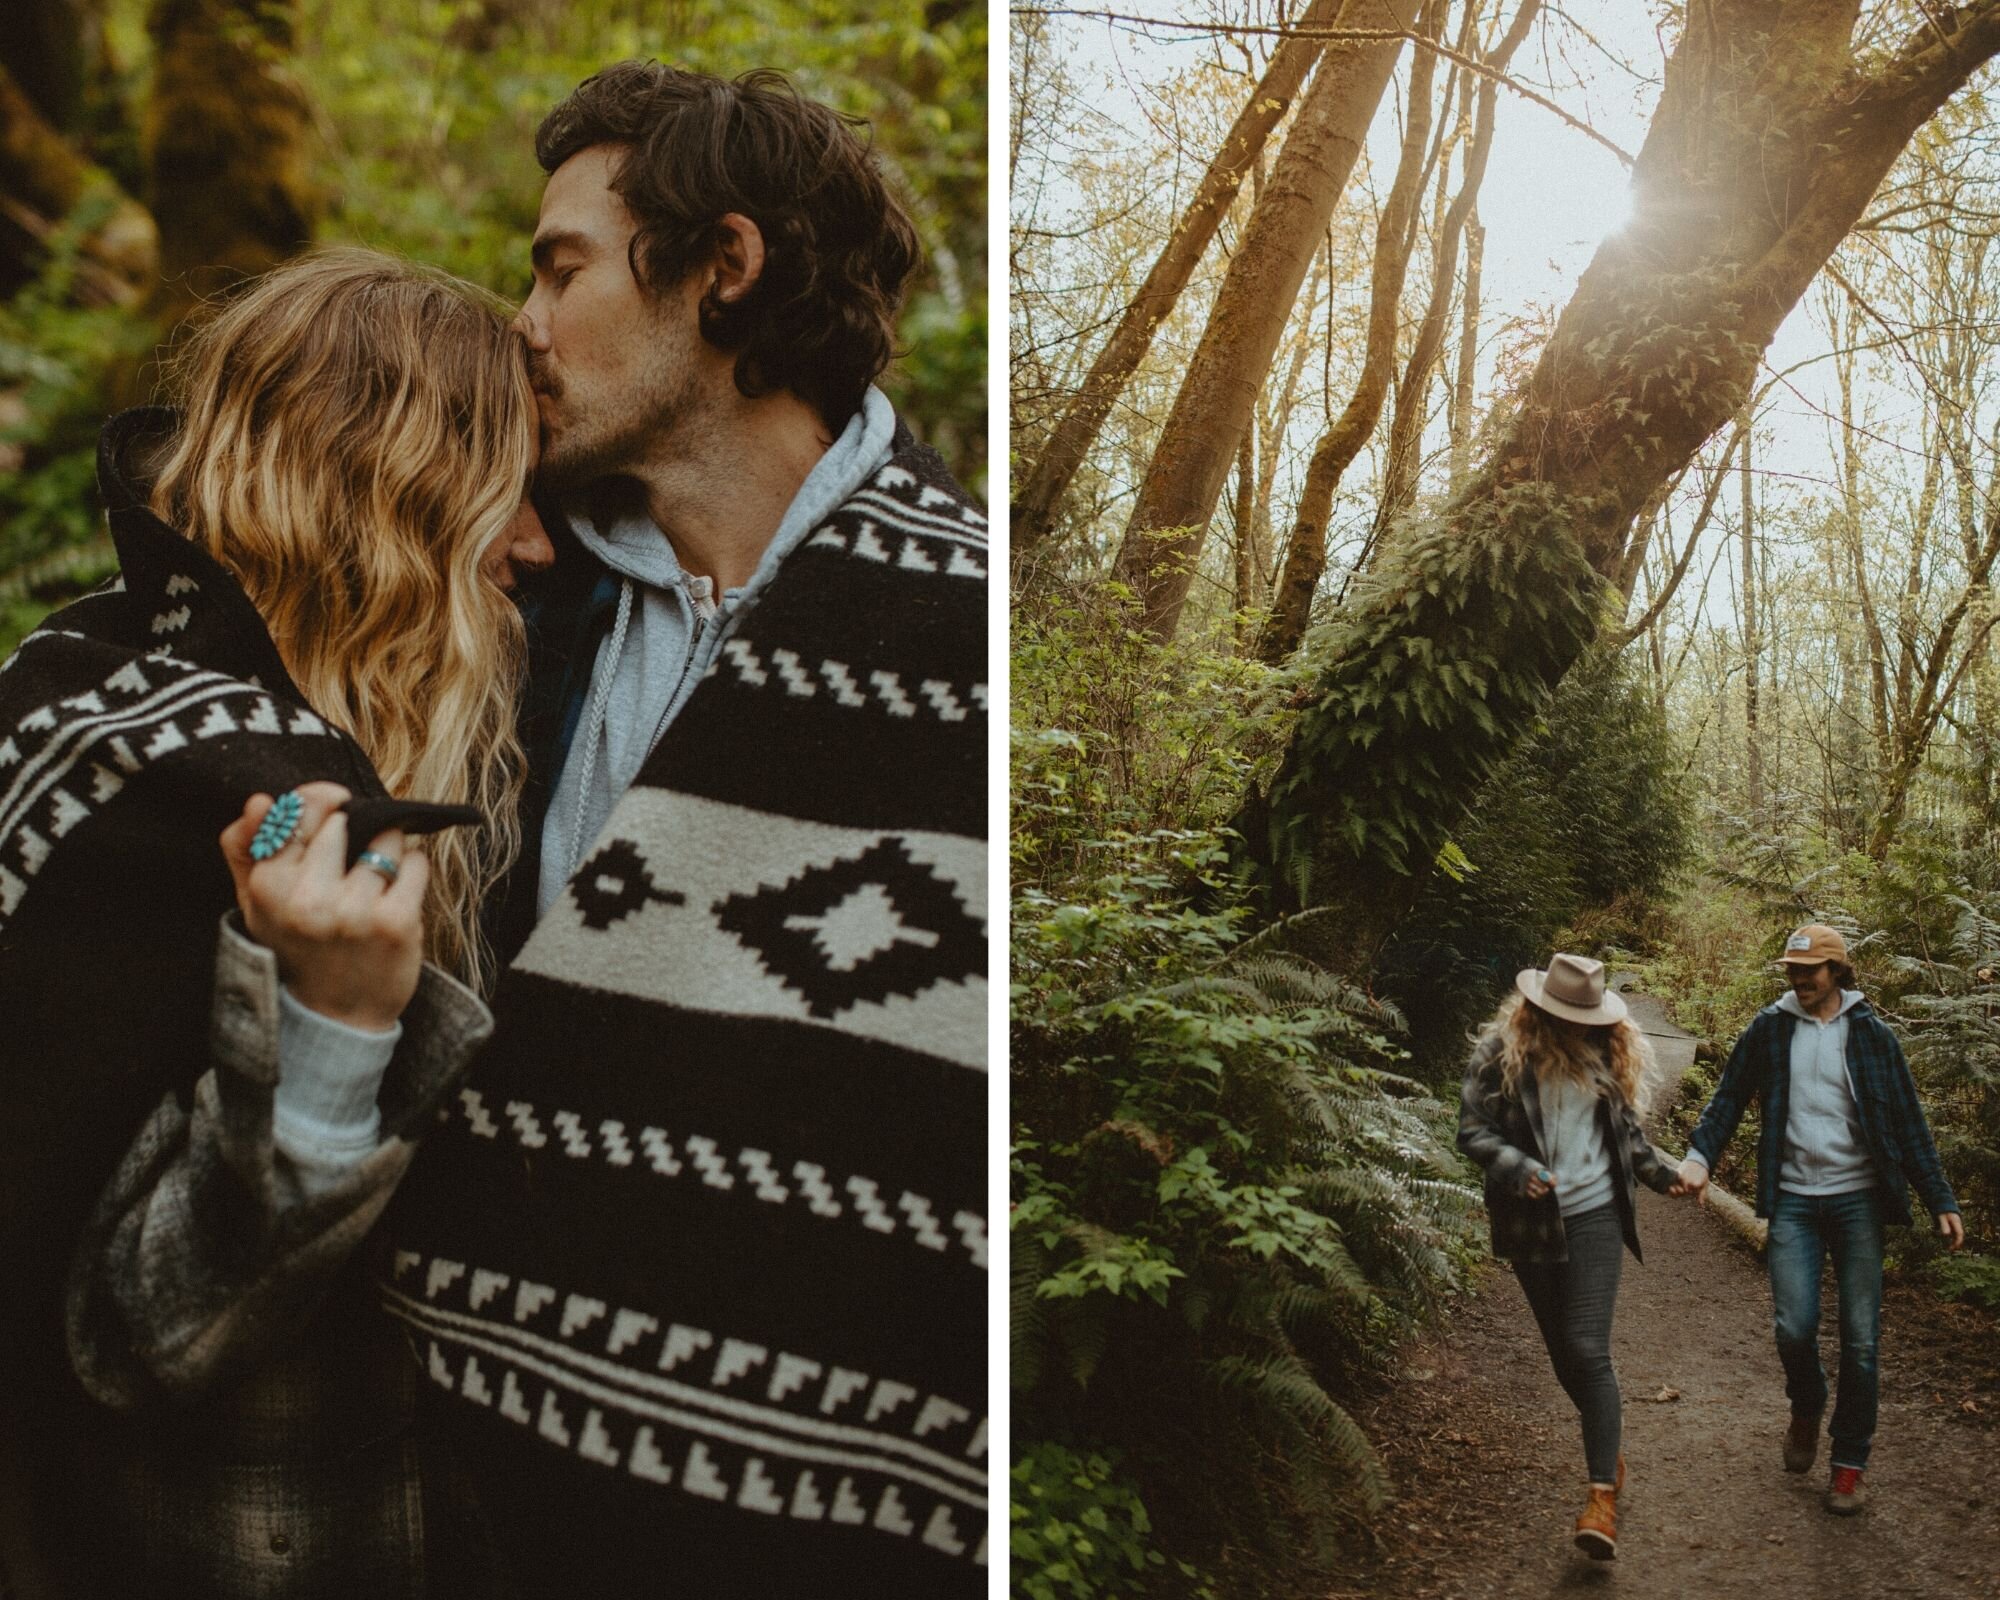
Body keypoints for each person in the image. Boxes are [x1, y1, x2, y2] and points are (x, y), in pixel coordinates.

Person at [381, 62, 989, 1595]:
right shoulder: (510, 607)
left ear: (726, 267)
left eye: (561, 265)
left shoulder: (972, 637)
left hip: (822, 1506)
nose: (521, 319)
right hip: (476, 1494)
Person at [0, 247, 552, 1597]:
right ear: (391, 503)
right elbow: (138, 1330)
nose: (540, 545)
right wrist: (337, 1033)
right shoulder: (225, 802)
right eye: (514, 494)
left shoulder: (75, 672)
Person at [1677, 923, 1963, 1516]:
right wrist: (1699, 1156)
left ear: (1838, 972)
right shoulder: (1770, 1028)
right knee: (1794, 1328)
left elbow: (1909, 1124)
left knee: (1861, 1341)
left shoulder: (1872, 1037)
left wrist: (1940, 1198)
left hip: (1857, 1199)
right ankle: (1807, 1404)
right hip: (1793, 1201)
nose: (1799, 979)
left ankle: (1849, 1464)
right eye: (1792, 970)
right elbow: (1728, 1097)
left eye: (1809, 971)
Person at [1458, 953, 1689, 1561]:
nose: (1578, 1026)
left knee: (1588, 1348)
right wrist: (1517, 1166)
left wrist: (1667, 1179)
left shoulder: (1607, 1054)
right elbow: (1473, 1131)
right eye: (1566, 1016)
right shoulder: (1499, 1054)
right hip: (1530, 1222)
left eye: (1586, 1016)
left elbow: (1629, 1141)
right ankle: (1605, 1446)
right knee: (1565, 1357)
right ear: (1537, 1010)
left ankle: (1600, 1499)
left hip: (1596, 1217)